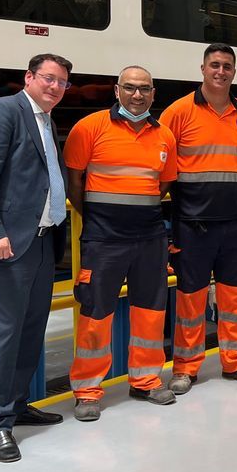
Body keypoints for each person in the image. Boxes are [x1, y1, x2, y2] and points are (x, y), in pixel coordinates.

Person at [0, 53, 71, 462]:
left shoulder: (46, 119)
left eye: (62, 82)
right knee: (7, 330)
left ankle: (18, 404)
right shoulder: (2, 111)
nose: (55, 87)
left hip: (42, 241)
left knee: (31, 327)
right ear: (29, 77)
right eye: (48, 78)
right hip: (9, 242)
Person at [64, 66, 177, 421]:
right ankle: (87, 390)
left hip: (149, 238)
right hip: (103, 239)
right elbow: (74, 182)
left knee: (150, 311)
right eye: (130, 88)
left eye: (144, 89)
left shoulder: (165, 137)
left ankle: (145, 380)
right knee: (96, 313)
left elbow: (162, 186)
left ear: (154, 94)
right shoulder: (90, 128)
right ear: (116, 91)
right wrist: (99, 219)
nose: (137, 95)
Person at [160, 43, 237, 393]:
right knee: (191, 297)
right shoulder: (178, 112)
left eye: (227, 66)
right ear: (202, 69)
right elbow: (163, 166)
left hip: (235, 224)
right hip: (193, 225)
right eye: (215, 65)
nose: (221, 72)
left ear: (235, 72)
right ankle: (185, 368)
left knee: (236, 297)